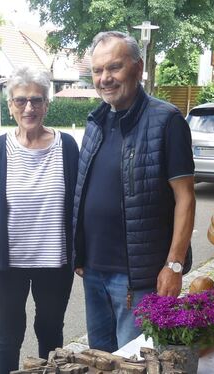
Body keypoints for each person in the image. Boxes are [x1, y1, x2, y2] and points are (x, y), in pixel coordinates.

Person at [72, 31, 196, 352]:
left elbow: (185, 197)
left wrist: (174, 265)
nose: (104, 78)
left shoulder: (166, 120)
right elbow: (84, 191)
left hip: (140, 278)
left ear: (138, 69)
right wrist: (80, 251)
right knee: (100, 357)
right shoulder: (96, 121)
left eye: (114, 67)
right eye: (97, 71)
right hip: (94, 272)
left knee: (136, 361)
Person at [0, 66, 78, 374]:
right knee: (8, 335)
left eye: (37, 100)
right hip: (6, 266)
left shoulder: (67, 147)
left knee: (51, 332)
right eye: (21, 100)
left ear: (47, 104)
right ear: (10, 105)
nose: (29, 107)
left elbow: (79, 207)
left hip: (55, 263)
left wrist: (85, 254)